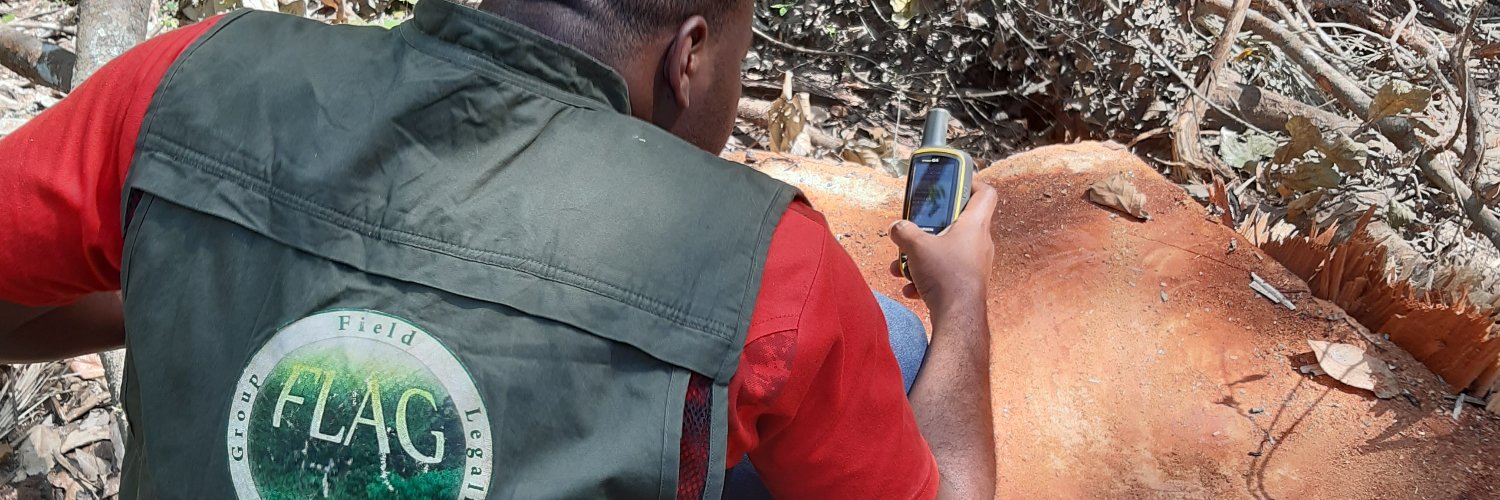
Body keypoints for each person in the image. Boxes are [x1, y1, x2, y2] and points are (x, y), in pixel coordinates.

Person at [0, 0, 997, 498]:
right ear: (690, 55)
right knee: (897, 348)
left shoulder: (188, 74)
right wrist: (965, 312)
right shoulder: (770, 261)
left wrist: (233, 278)